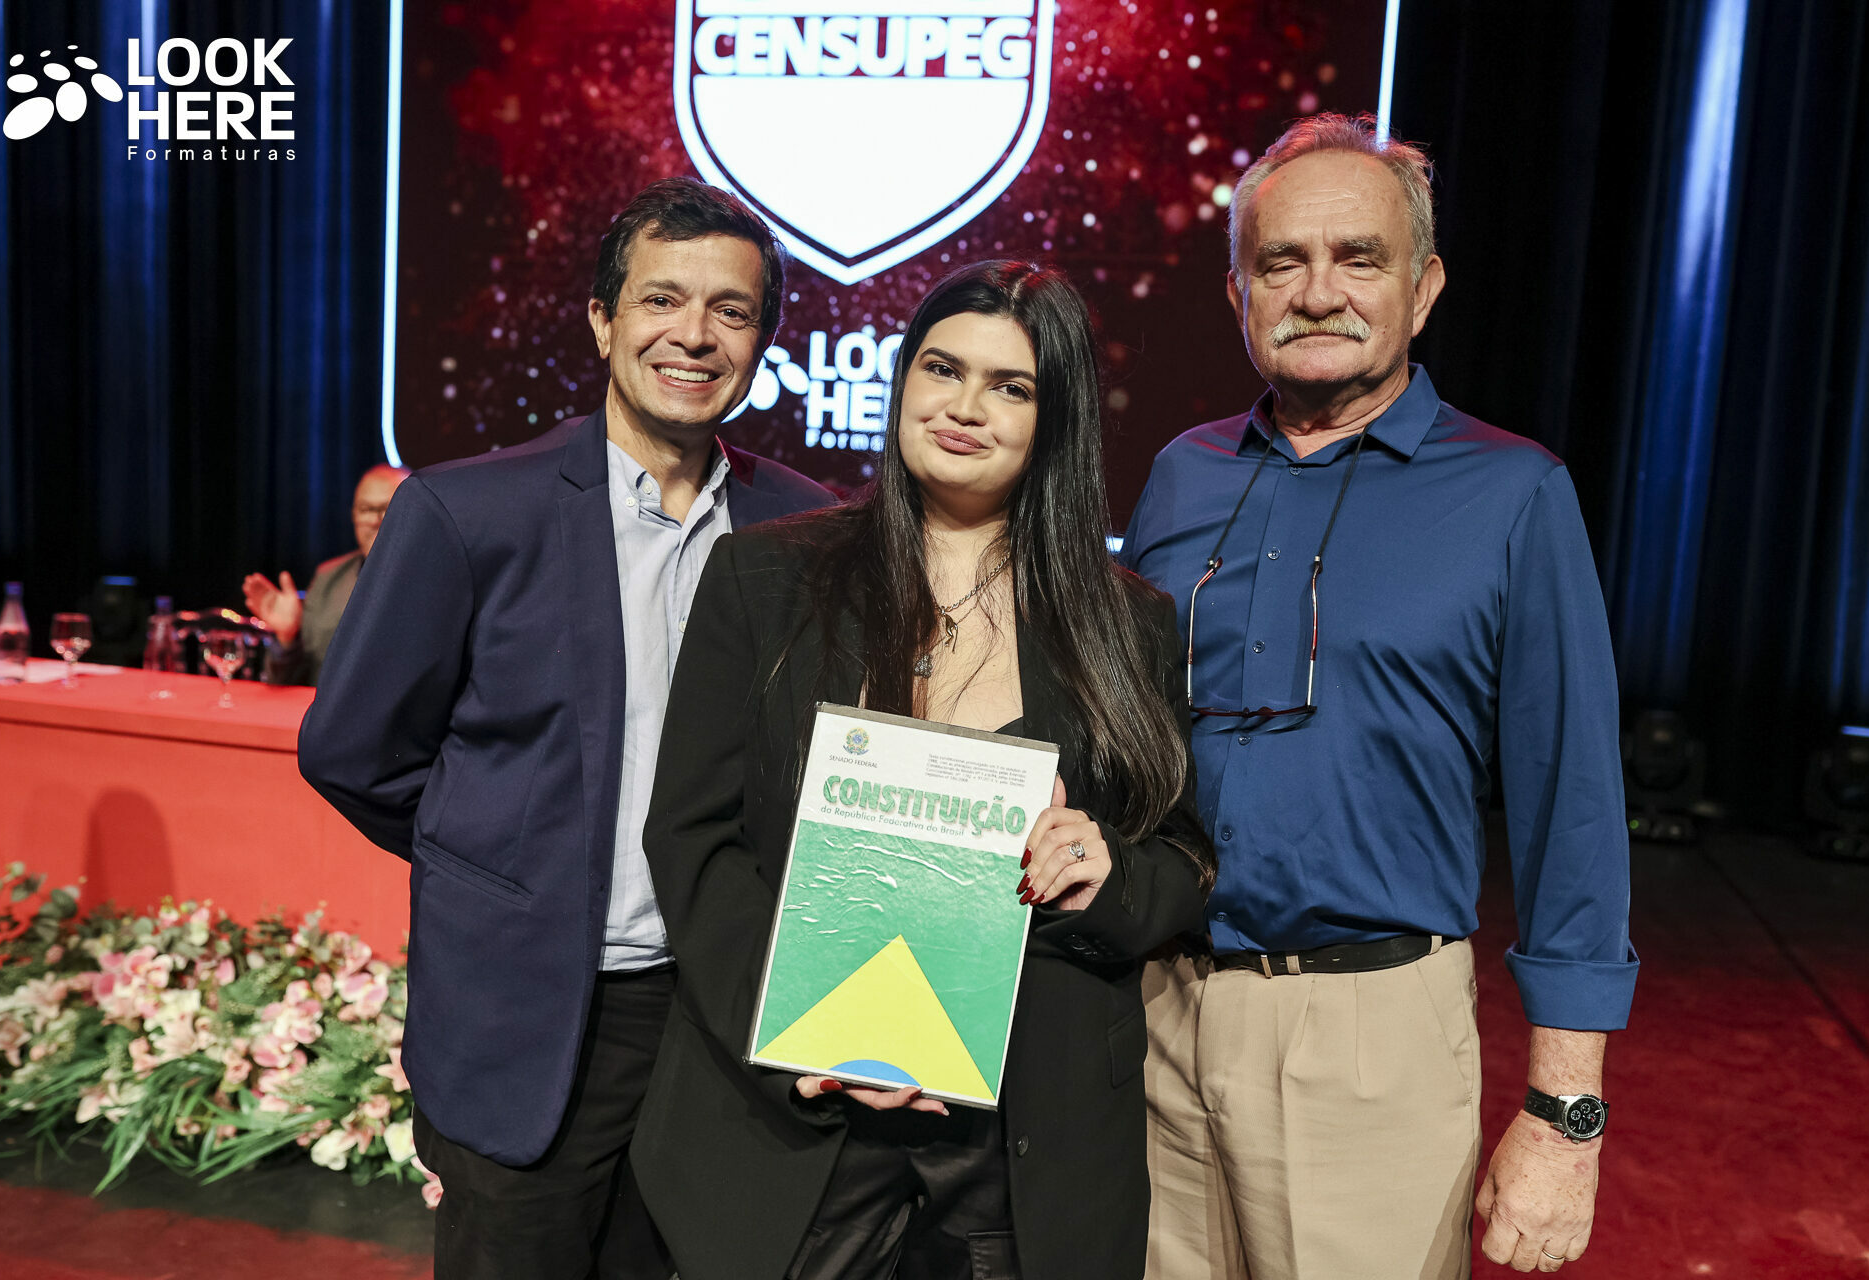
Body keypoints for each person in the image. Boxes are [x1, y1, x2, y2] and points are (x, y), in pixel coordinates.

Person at [1120, 114, 1637, 1279]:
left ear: (1424, 286)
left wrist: (1566, 1116)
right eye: (1281, 262)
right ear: (1239, 294)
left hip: (1372, 1036)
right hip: (1156, 1020)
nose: (1318, 292)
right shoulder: (1182, 474)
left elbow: (1572, 808)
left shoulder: (1513, 492)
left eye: (1358, 258)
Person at [633, 260, 1215, 1280]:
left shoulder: (1129, 622)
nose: (964, 406)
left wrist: (1107, 870)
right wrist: (806, 1033)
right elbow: (693, 839)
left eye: (1010, 386)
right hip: (799, 1124)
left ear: (1055, 420)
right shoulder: (764, 577)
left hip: (1023, 1144)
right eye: (942, 369)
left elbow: (1183, 860)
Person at [298, 177, 835, 1280]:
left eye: (731, 310)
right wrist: (511, 860)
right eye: (661, 299)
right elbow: (353, 751)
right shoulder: (467, 513)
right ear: (602, 319)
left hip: (718, 1021)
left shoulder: (807, 526)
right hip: (533, 1020)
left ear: (763, 341)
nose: (694, 334)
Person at [242, 463, 408, 685]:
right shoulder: (328, 578)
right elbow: (290, 680)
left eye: (389, 508)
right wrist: (288, 638)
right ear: (354, 515)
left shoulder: (442, 580)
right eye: (366, 509)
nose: (376, 521)